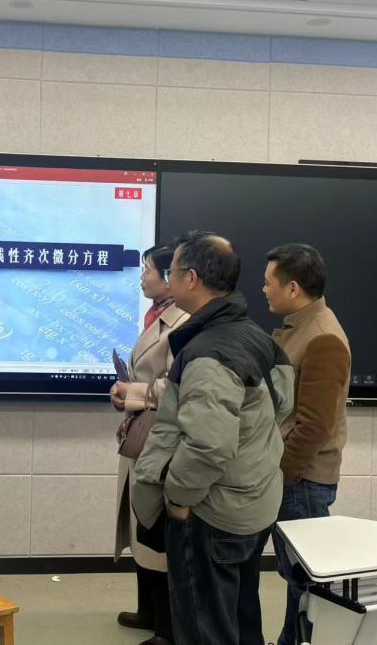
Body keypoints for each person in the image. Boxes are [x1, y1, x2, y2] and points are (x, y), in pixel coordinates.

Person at [132, 231, 293, 645]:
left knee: (205, 627)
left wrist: (179, 500)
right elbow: (282, 407)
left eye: (171, 271)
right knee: (240, 618)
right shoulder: (254, 334)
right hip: (252, 500)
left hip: (211, 513)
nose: (167, 278)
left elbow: (209, 445)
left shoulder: (209, 352)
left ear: (191, 278)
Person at [263, 243, 351, 645]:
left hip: (302, 479)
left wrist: (283, 474)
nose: (264, 290)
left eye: (269, 282)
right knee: (298, 576)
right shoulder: (300, 327)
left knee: (306, 579)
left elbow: (315, 426)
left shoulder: (322, 337)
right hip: (292, 475)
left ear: (293, 288)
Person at [112, 244, 190, 645]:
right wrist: (128, 393)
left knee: (155, 530)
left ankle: (166, 627)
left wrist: (134, 393)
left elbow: (177, 384)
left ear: (172, 278)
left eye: (149, 270)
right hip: (141, 431)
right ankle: (148, 610)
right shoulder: (156, 314)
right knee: (139, 523)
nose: (142, 277)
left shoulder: (184, 322)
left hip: (160, 435)